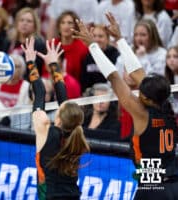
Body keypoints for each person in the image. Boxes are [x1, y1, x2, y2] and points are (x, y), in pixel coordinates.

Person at [73, 12, 178, 199]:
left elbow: (113, 77)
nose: (138, 94)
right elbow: (139, 72)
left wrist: (92, 45)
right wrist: (120, 39)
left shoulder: (142, 114)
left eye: (141, 94)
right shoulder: (165, 104)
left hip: (153, 189)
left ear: (146, 99)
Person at [21, 37, 90, 199]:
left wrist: (32, 62)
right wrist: (53, 65)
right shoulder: (78, 136)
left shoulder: (45, 129)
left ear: (59, 117)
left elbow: (40, 93)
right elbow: (62, 99)